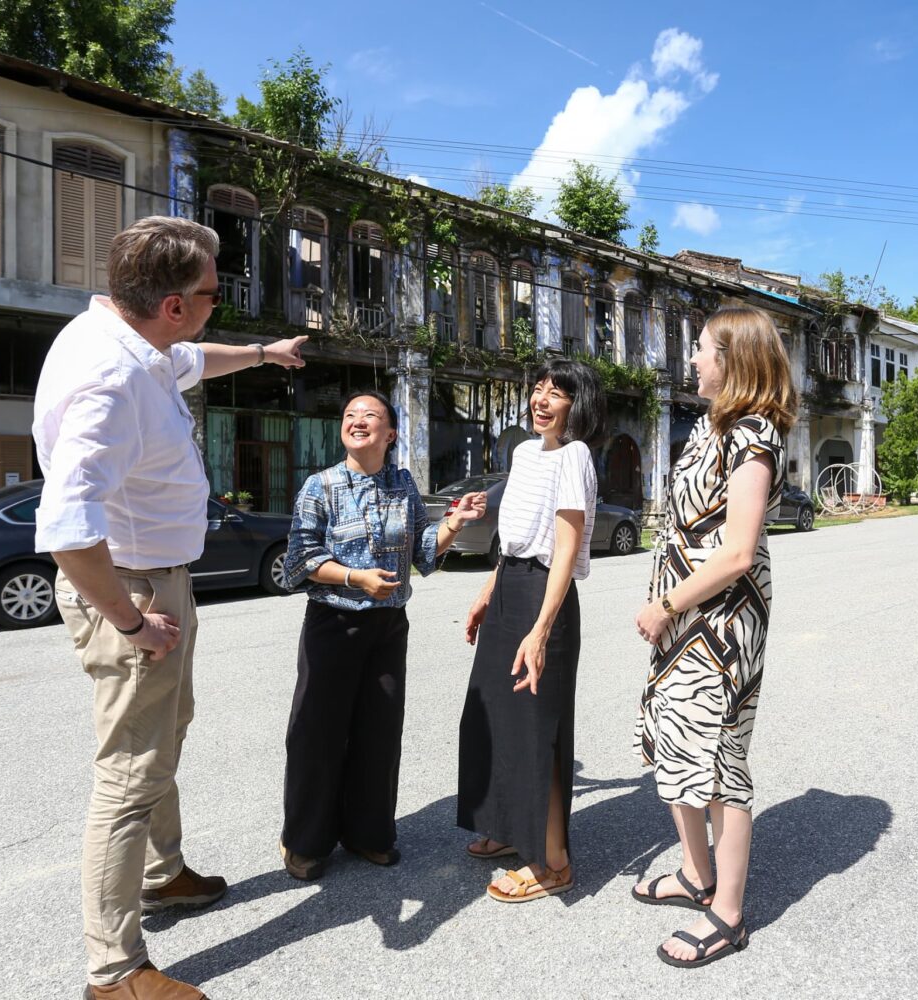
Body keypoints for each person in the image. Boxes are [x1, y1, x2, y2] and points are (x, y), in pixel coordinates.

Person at [34, 216, 307, 1000]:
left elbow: (195, 360)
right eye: (216, 294)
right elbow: (65, 529)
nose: (220, 306)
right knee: (129, 771)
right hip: (132, 584)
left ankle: (164, 872)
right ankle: (114, 971)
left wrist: (263, 353)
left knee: (165, 732)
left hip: (155, 577)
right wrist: (128, 619)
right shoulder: (110, 377)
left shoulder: (140, 343)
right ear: (175, 303)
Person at [630, 306, 795, 968]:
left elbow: (736, 551)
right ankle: (698, 875)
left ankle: (727, 912)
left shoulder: (753, 434)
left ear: (734, 358)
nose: (692, 359)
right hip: (682, 617)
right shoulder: (708, 428)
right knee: (675, 742)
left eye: (701, 349)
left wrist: (667, 600)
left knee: (720, 762)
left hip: (722, 622)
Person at [279, 389, 488, 880]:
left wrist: (453, 524)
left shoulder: (402, 484)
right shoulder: (321, 486)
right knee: (317, 734)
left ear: (390, 433)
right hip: (333, 624)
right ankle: (306, 842)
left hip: (388, 628)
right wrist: (356, 578)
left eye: (369, 415)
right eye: (349, 414)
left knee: (379, 733)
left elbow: (421, 554)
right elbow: (298, 562)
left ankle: (368, 833)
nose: (357, 421)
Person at [457, 358, 605, 903]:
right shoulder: (523, 453)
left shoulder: (575, 456)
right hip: (511, 588)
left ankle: (554, 862)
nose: (542, 399)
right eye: (538, 389)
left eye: (557, 393)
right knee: (494, 714)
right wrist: (486, 594)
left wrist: (541, 628)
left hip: (546, 597)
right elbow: (514, 539)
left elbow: (565, 547)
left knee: (536, 726)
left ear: (577, 404)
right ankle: (510, 831)